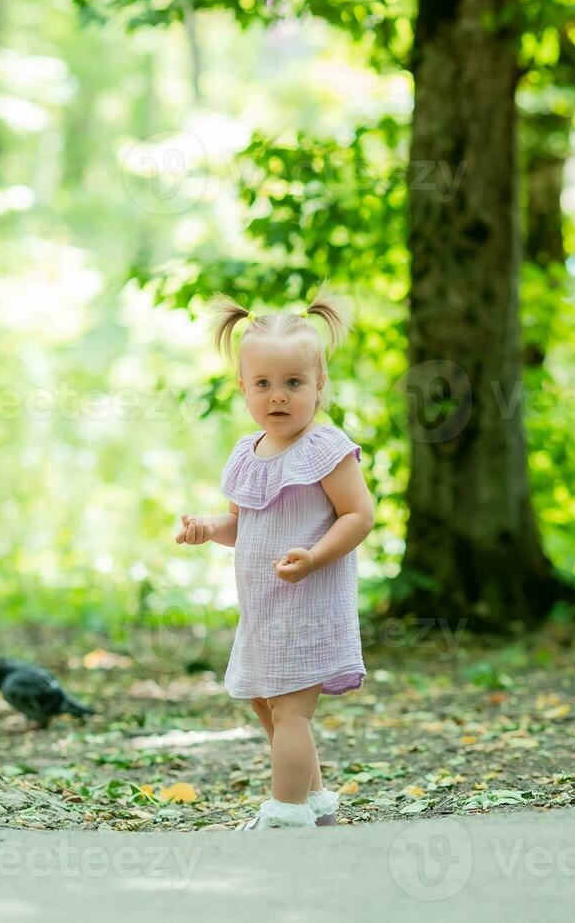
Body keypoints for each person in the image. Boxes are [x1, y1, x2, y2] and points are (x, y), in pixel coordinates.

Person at [174, 285, 373, 829]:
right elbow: (242, 524)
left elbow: (359, 515)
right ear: (244, 389)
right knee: (267, 705)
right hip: (263, 608)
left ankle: (285, 814)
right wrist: (206, 528)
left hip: (309, 602)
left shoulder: (325, 449)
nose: (278, 396)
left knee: (290, 711)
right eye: (264, 384)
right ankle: (313, 802)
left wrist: (312, 557)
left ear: (319, 385)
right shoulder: (247, 453)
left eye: (293, 383)